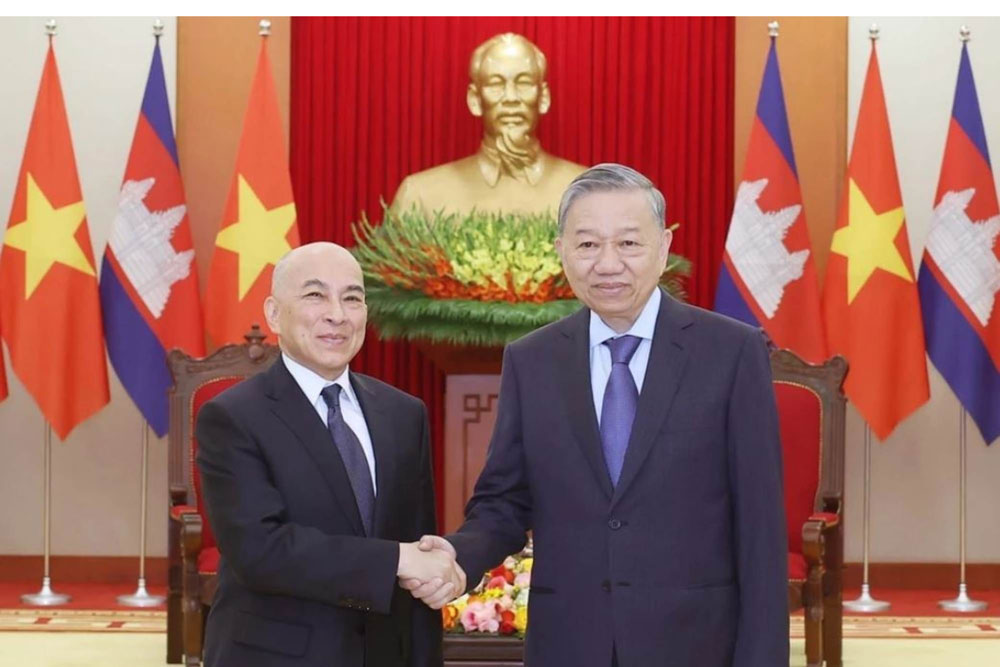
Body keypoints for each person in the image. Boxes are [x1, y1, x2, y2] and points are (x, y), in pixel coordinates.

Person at [405, 164, 789, 666]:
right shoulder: (532, 360)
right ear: (561, 250)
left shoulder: (731, 353)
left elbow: (759, 529)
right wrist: (458, 557)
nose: (607, 264)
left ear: (664, 247)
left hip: (695, 643)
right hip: (569, 643)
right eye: (587, 245)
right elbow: (504, 501)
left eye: (628, 243)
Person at [195, 242, 463, 667]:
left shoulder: (403, 414)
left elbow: (416, 546)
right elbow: (260, 551)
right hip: (276, 655)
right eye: (315, 295)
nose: (337, 314)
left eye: (352, 298)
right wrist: (396, 559)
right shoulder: (232, 418)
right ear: (273, 313)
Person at [390, 32, 585, 217]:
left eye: (524, 83)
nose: (511, 98)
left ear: (544, 97)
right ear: (474, 99)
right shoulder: (421, 196)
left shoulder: (592, 192)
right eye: (496, 84)